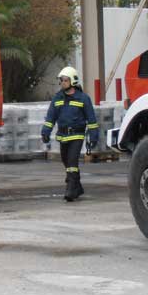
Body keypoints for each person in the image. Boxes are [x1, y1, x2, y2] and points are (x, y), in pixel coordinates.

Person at [41, 66, 99, 202]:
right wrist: (45, 132)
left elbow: (91, 120)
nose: (62, 83)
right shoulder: (57, 98)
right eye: (61, 80)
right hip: (63, 136)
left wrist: (93, 136)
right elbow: (50, 117)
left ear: (73, 81)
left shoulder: (83, 98)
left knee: (72, 162)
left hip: (77, 135)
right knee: (66, 162)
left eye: (65, 80)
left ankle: (71, 189)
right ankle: (78, 187)